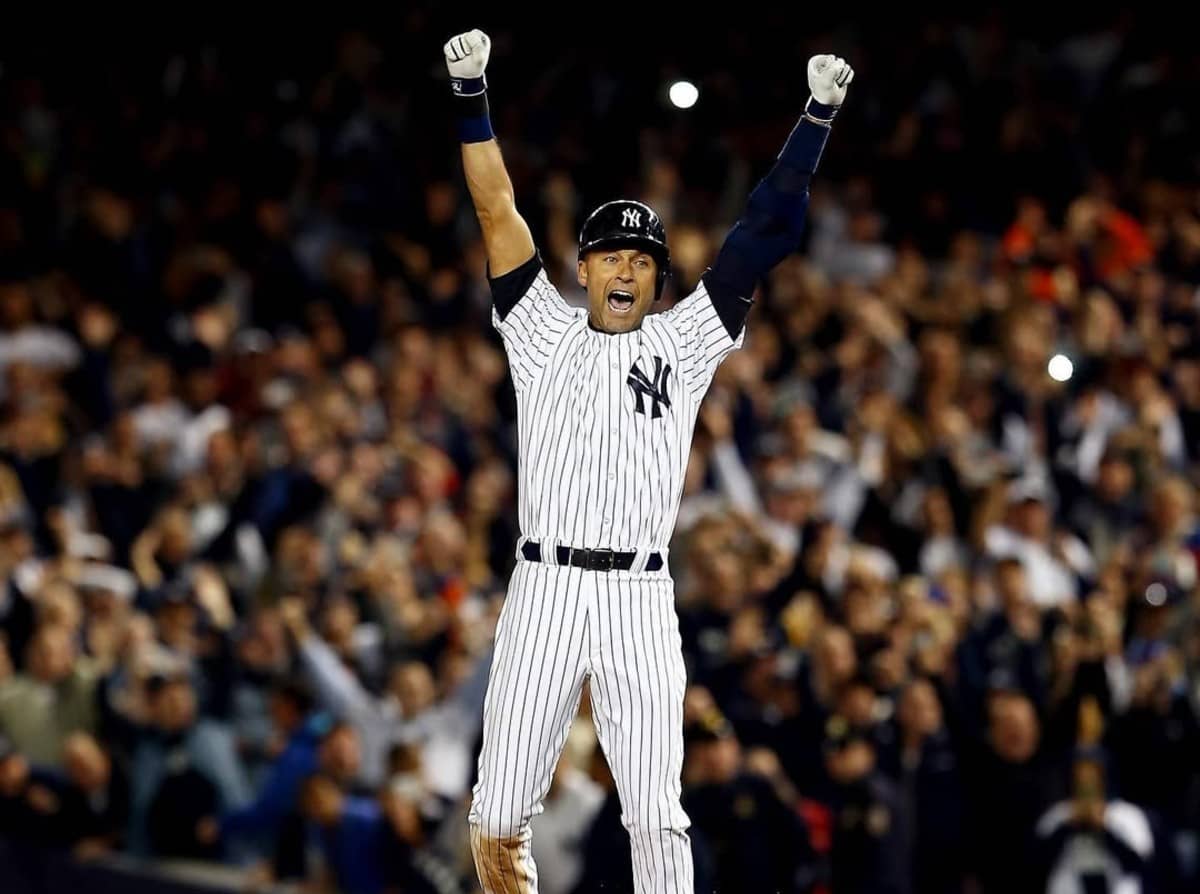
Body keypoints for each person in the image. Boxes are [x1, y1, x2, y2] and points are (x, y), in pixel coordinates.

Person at [443, 26, 854, 894]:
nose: (626, 270)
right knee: (495, 815)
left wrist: (814, 121)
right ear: (583, 268)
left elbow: (763, 229)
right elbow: (496, 211)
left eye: (642, 260)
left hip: (637, 593)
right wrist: (472, 98)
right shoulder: (538, 328)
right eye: (611, 257)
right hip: (544, 586)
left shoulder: (688, 340)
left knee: (658, 817)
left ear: (656, 279)